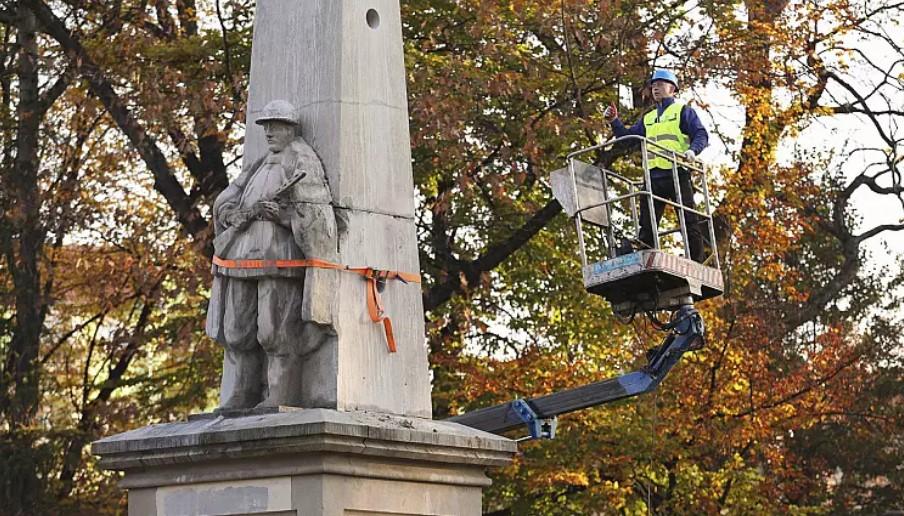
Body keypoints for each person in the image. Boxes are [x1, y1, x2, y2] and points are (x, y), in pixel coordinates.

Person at [206, 99, 339, 409]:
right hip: (239, 259)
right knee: (236, 328)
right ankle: (243, 391)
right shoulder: (259, 163)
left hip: (279, 260)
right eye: (266, 126)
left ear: (291, 129)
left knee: (274, 330)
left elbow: (315, 216)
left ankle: (281, 392)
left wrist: (280, 215)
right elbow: (227, 202)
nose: (269, 132)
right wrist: (236, 214)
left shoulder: (302, 161)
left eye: (276, 126)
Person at [603, 69, 709, 263]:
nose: (656, 88)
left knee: (688, 219)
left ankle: (697, 260)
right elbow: (627, 140)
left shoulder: (682, 111)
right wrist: (614, 122)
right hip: (654, 176)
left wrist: (693, 151)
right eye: (653, 85)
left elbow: (701, 134)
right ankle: (645, 256)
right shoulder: (649, 118)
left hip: (677, 172)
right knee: (647, 224)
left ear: (673, 89)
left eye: (660, 84)